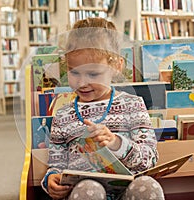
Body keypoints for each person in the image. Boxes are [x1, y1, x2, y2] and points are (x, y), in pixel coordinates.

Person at [41, 17, 165, 200]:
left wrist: (116, 143)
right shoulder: (63, 115)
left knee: (148, 186)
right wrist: (51, 178)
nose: (82, 82)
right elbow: (57, 163)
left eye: (93, 73)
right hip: (84, 191)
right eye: (74, 72)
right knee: (88, 189)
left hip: (128, 190)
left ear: (116, 67)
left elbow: (149, 159)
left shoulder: (133, 105)